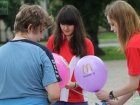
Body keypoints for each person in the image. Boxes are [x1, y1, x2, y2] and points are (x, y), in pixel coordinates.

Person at [0, 4, 61, 105]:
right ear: (30, 28)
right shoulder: (42, 52)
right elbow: (54, 94)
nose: (42, 36)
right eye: (41, 31)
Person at [46, 5, 94, 105]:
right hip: (56, 98)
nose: (65, 28)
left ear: (76, 24)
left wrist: (76, 84)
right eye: (63, 24)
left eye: (69, 24)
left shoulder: (86, 44)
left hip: (78, 99)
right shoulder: (52, 41)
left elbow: (90, 73)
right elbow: (46, 68)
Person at [95, 0, 140, 105]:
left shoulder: (133, 45)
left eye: (113, 24)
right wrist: (119, 102)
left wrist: (109, 95)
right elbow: (137, 82)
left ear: (123, 21)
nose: (111, 29)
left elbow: (133, 84)